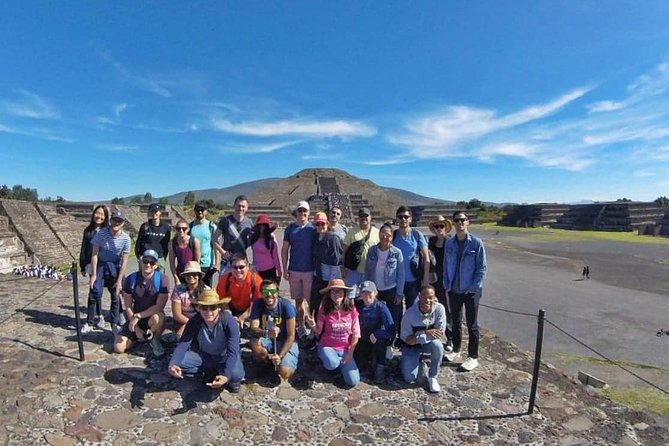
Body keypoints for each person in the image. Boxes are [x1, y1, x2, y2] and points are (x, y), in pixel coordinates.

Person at [168, 289, 244, 393]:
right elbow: (183, 344)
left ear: (219, 308)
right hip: (204, 356)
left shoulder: (229, 321)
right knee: (178, 360)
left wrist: (226, 376)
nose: (209, 312)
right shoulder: (194, 321)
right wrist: (173, 364)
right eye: (204, 307)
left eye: (213, 307)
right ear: (198, 308)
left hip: (224, 357)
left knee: (236, 375)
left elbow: (233, 350)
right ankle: (210, 371)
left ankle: (222, 375)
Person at [443, 211, 487, 371]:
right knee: (455, 321)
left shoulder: (476, 243)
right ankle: (456, 349)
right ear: (453, 223)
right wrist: (446, 284)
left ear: (467, 222)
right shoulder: (450, 243)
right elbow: (445, 265)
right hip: (454, 289)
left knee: (472, 324)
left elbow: (482, 268)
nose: (460, 223)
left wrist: (473, 287)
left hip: (470, 290)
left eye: (462, 220)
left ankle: (473, 356)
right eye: (456, 220)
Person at [305, 279, 360, 388]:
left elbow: (356, 333)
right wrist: (312, 325)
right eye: (333, 291)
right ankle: (329, 361)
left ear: (344, 293)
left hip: (345, 349)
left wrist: (350, 354)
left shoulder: (351, 309)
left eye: (340, 291)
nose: (337, 294)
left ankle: (340, 366)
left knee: (353, 382)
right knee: (331, 363)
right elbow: (318, 331)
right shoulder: (324, 309)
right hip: (327, 345)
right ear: (329, 294)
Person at [114, 249, 169, 357]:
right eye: (145, 261)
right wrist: (136, 328)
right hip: (135, 317)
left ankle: (154, 339)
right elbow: (128, 306)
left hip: (151, 317)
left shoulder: (162, 280)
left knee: (159, 318)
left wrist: (139, 316)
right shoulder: (131, 280)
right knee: (118, 348)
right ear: (140, 262)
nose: (148, 264)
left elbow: (159, 306)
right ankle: (139, 337)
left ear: (156, 265)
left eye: (152, 262)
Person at [86, 210, 131, 334]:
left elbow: (124, 261)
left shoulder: (126, 239)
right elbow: (94, 253)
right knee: (94, 291)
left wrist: (120, 280)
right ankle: (89, 322)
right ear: (110, 221)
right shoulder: (101, 234)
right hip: (101, 264)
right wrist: (94, 274)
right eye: (114, 220)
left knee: (116, 294)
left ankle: (114, 323)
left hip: (115, 265)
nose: (116, 223)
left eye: (119, 221)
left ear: (123, 223)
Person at [364, 222, 405, 358]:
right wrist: (366, 288)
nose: (385, 237)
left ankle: (390, 344)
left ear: (392, 237)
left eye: (388, 235)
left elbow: (401, 274)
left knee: (392, 318)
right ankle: (375, 341)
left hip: (391, 289)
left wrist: (399, 293)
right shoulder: (372, 251)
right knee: (377, 317)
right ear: (379, 235)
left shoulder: (396, 253)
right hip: (376, 290)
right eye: (383, 234)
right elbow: (367, 271)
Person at [249, 279, 299, 384]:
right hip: (268, 338)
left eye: (272, 292)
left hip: (285, 340)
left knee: (285, 373)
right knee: (255, 343)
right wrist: (266, 333)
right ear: (261, 293)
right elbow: (253, 328)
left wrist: (280, 356)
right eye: (265, 292)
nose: (269, 295)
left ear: (277, 292)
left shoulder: (287, 306)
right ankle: (267, 362)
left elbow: (291, 335)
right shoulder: (258, 304)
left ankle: (280, 360)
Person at [400, 285, 447, 393]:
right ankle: (419, 363)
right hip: (411, 346)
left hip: (427, 343)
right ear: (419, 296)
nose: (428, 300)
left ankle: (433, 376)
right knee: (409, 378)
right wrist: (425, 332)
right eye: (424, 297)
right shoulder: (409, 315)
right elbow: (408, 340)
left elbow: (439, 333)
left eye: (431, 297)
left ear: (434, 297)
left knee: (438, 346)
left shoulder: (439, 309)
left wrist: (418, 336)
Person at [281, 200, 316, 339]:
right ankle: (300, 325)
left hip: (309, 270)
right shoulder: (290, 229)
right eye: (300, 211)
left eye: (305, 211)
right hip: (294, 269)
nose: (302, 214)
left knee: (311, 301)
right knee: (298, 301)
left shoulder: (313, 228)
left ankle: (313, 326)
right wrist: (284, 268)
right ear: (296, 213)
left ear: (308, 213)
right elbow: (284, 251)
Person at [393, 206, 431, 322]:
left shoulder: (416, 235)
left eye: (406, 217)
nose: (403, 219)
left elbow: (426, 258)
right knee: (396, 311)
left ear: (410, 219)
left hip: (413, 281)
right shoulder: (393, 236)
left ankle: (410, 337)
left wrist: (425, 279)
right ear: (397, 219)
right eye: (400, 217)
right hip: (396, 280)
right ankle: (398, 336)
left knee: (412, 311)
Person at [354, 281, 394, 383]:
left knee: (380, 341)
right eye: (364, 293)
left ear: (375, 293)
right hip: (361, 338)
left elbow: (391, 330)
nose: (366, 296)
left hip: (375, 339)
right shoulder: (357, 305)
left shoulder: (381, 307)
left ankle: (380, 369)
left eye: (369, 292)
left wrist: (377, 333)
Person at [79, 205, 109, 331]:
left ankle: (102, 316)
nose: (99, 216)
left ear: (106, 217)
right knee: (93, 292)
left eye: (102, 214)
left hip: (105, 265)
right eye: (97, 213)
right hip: (92, 265)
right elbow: (84, 249)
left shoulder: (107, 231)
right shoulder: (88, 231)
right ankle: (91, 321)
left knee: (103, 292)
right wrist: (82, 265)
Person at [215, 252, 263, 327]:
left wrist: (242, 317)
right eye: (235, 267)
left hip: (250, 310)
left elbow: (258, 304)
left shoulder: (256, 281)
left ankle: (255, 336)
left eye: (241, 267)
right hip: (231, 309)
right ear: (230, 268)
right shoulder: (224, 280)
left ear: (247, 267)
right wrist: (229, 316)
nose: (238, 270)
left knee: (255, 324)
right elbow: (222, 301)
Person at [428, 215, 454, 351]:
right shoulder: (431, 241)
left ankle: (450, 338)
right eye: (436, 226)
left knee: (448, 310)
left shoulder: (451, 242)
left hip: (446, 280)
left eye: (441, 226)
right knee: (432, 307)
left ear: (446, 228)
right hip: (433, 279)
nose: (439, 229)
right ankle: (434, 335)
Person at [311, 211, 344, 317]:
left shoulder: (332, 238)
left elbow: (336, 262)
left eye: (323, 224)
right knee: (315, 306)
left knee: (329, 307)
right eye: (318, 224)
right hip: (318, 277)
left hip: (329, 279)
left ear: (327, 224)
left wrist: (332, 284)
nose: (320, 226)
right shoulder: (315, 238)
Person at [342, 207, 380, 298]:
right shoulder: (351, 232)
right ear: (358, 218)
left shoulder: (377, 233)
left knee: (367, 298)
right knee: (350, 297)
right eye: (361, 216)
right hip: (353, 271)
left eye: (366, 216)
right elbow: (344, 251)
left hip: (370, 272)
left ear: (370, 218)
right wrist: (343, 267)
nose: (364, 218)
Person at [214, 195, 253, 274]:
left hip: (241, 262)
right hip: (228, 261)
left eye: (243, 206)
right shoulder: (225, 221)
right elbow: (214, 238)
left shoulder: (249, 222)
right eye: (239, 206)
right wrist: (223, 252)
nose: (241, 208)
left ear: (247, 208)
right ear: (234, 206)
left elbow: (253, 240)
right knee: (225, 285)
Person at [171, 261, 208, 339]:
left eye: (194, 274)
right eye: (188, 274)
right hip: (183, 321)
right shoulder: (178, 290)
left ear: (199, 276)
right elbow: (177, 314)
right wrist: (190, 324)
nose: (191, 276)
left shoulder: (207, 291)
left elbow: (209, 312)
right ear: (184, 276)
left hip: (203, 321)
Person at [134, 203, 171, 271]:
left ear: (160, 212)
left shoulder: (166, 227)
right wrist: (139, 256)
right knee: (143, 280)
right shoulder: (145, 226)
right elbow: (138, 242)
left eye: (156, 211)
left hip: (159, 258)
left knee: (159, 279)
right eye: (152, 211)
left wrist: (163, 257)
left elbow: (167, 244)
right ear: (149, 213)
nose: (154, 213)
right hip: (146, 258)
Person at [190, 201, 218, 287]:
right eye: (198, 210)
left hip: (207, 264)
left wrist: (217, 263)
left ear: (206, 211)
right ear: (195, 211)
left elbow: (216, 246)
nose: (200, 212)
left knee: (206, 291)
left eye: (202, 210)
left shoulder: (211, 227)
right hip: (194, 263)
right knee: (193, 289)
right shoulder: (190, 226)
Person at [249, 214, 282, 284]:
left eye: (264, 225)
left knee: (269, 292)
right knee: (257, 293)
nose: (262, 227)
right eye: (260, 225)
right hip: (256, 270)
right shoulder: (253, 237)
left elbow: (275, 256)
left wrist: (279, 271)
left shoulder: (271, 238)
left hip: (269, 270)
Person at [168, 218, 201, 286]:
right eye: (178, 228)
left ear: (188, 229)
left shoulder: (194, 241)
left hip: (192, 273)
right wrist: (176, 278)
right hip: (180, 273)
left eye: (184, 228)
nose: (181, 231)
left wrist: (195, 277)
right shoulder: (172, 243)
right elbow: (172, 263)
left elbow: (197, 262)